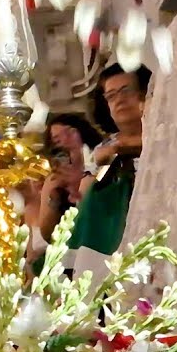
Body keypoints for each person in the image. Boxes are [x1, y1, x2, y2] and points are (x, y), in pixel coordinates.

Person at [67, 65, 152, 279]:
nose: (119, 100)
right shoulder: (102, 149)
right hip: (113, 241)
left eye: (126, 91)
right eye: (111, 96)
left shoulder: (168, 134)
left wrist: (120, 149)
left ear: (146, 94)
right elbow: (85, 199)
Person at [26, 113, 102, 274]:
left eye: (68, 132)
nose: (63, 139)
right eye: (56, 138)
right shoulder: (54, 178)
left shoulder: (103, 163)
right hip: (68, 256)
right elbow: (47, 233)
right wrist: (55, 199)